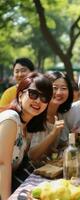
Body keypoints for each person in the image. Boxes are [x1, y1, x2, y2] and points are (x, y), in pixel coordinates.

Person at [0, 72, 53, 200]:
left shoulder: (25, 126)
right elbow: (2, 164)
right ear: (20, 95)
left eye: (44, 98)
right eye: (33, 94)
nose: (38, 101)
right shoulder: (11, 119)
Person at [28, 71, 73, 161]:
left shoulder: (61, 115)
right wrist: (53, 133)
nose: (59, 92)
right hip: (31, 171)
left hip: (51, 168)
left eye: (64, 88)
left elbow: (58, 146)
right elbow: (32, 155)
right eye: (54, 88)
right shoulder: (38, 113)